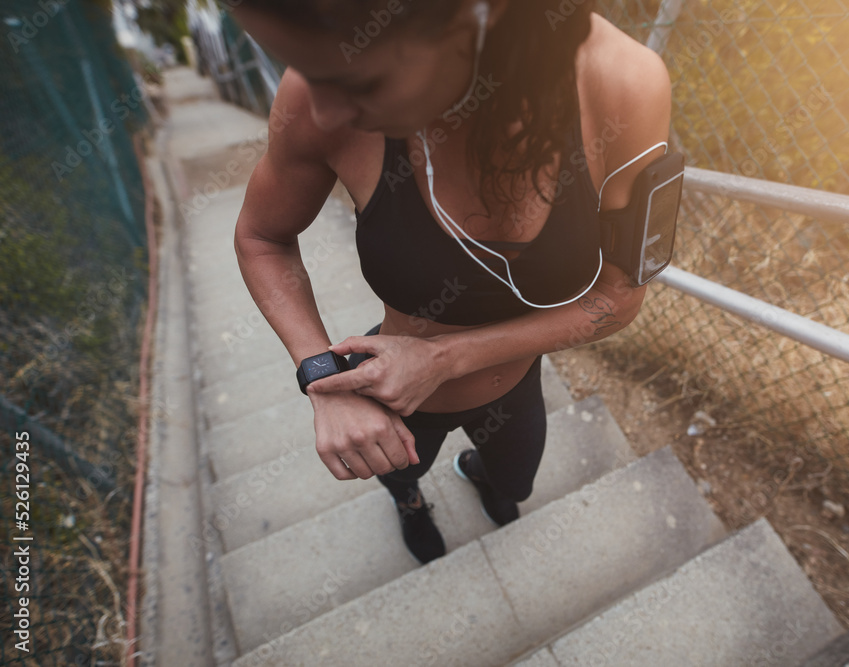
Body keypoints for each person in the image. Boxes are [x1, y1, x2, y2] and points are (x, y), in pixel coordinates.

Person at [231, 0, 671, 564]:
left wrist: (442, 359)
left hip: (513, 387)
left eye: (359, 77)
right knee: (397, 474)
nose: (321, 106)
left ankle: (479, 475)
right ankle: (412, 503)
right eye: (300, 66)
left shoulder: (621, 86)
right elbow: (262, 239)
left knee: (514, 484)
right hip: (392, 399)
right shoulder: (317, 101)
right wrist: (321, 376)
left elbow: (619, 297)